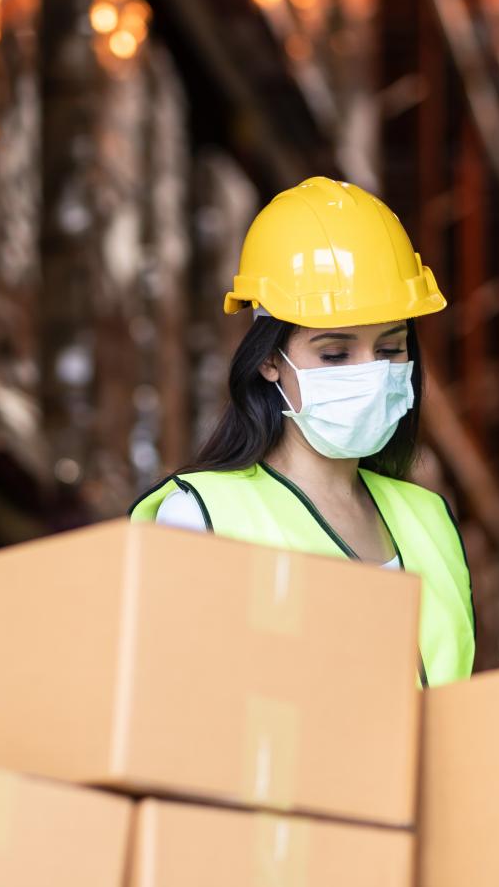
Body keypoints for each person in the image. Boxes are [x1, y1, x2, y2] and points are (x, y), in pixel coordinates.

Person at [131, 176, 475, 686]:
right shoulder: (202, 518)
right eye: (335, 353)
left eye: (390, 349)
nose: (372, 372)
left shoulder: (430, 522)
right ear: (270, 359)